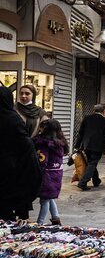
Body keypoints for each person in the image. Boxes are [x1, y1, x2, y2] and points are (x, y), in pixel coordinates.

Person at [0, 86, 42, 221]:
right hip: (13, 167)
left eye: (27, 93)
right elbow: (25, 143)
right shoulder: (13, 117)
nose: (24, 96)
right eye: (21, 93)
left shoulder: (38, 112)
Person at [34, 119, 69, 225]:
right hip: (57, 174)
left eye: (41, 127)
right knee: (49, 198)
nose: (39, 129)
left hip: (47, 176)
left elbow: (42, 162)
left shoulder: (44, 144)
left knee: (44, 201)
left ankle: (39, 223)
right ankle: (56, 218)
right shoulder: (59, 143)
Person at [74, 104, 105, 191]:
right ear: (103, 111)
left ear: (94, 110)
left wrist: (77, 145)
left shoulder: (87, 118)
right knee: (92, 163)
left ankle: (96, 180)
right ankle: (83, 182)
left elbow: (80, 133)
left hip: (86, 145)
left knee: (91, 163)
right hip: (98, 146)